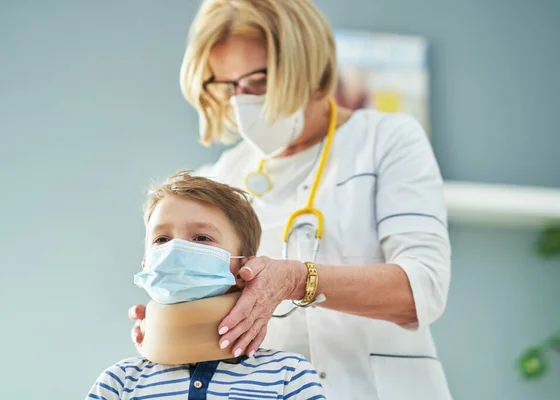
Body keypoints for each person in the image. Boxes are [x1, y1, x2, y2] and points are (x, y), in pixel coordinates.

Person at [129, 0, 453, 398]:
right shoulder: (220, 179)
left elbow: (424, 290)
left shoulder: (386, 141)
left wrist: (297, 280)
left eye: (259, 80)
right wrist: (170, 325)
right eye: (227, 85)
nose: (242, 100)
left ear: (306, 63)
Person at [87, 172, 326, 399]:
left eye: (201, 238)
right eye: (162, 239)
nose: (175, 250)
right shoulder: (120, 383)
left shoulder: (287, 376)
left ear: (245, 269)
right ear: (146, 264)